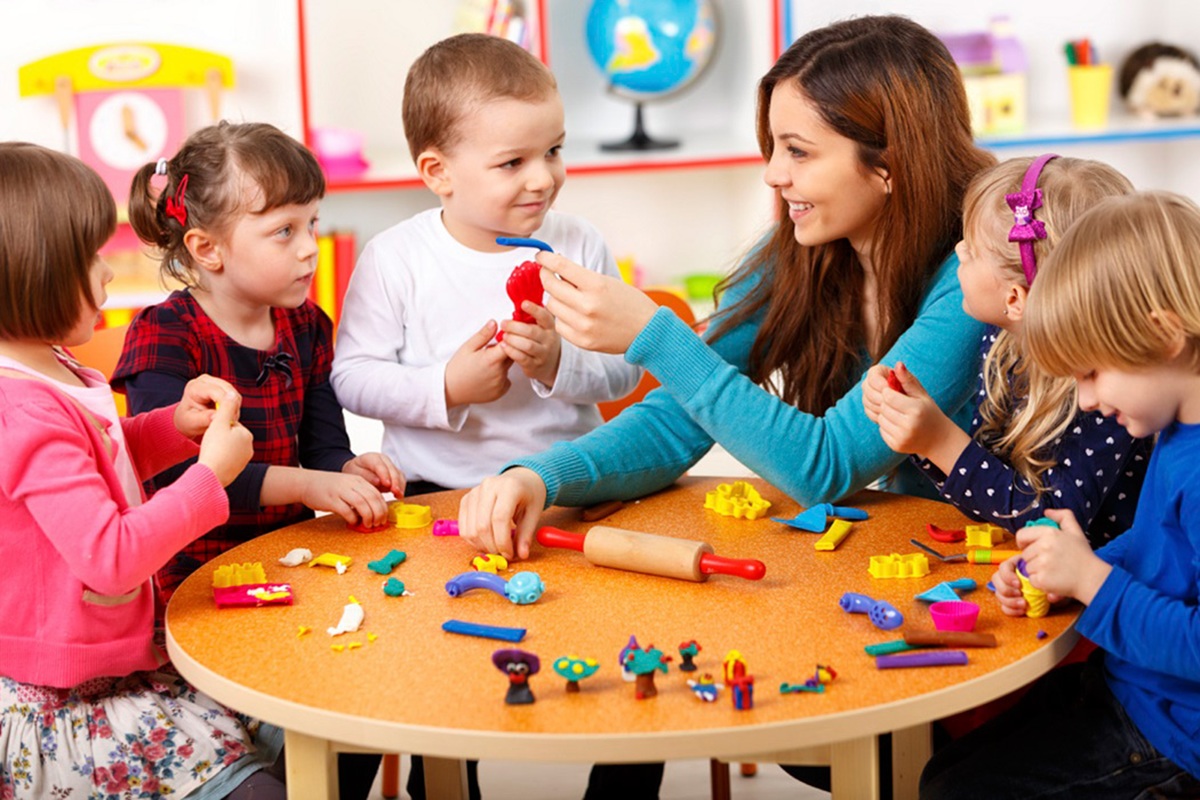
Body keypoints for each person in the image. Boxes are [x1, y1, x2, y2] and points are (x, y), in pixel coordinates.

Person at [459, 14, 994, 798]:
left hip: (980, 598)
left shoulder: (971, 278)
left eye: (799, 152)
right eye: (772, 146)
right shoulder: (804, 256)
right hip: (878, 575)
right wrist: (543, 479)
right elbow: (680, 419)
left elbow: (828, 465)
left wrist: (656, 336)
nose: (774, 175)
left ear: (890, 166)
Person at [113, 121, 401, 800]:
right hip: (198, 589)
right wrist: (314, 484)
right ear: (207, 248)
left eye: (313, 224)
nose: (310, 249)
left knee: (368, 703)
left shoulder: (306, 325)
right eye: (284, 232)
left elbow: (325, 438)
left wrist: (347, 470)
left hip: (299, 564)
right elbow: (186, 480)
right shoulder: (165, 336)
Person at [0, 142, 283, 799]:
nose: (109, 273)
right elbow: (108, 555)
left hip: (122, 657)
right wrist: (208, 478)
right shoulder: (21, 412)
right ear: (32, 273)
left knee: (311, 725)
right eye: (93, 258)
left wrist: (170, 429)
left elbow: (98, 455)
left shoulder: (53, 365)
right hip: (70, 697)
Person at [921, 191, 1200, 798]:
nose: (1089, 401)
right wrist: (1069, 568)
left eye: (1092, 373)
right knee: (941, 770)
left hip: (1177, 741)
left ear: (1165, 335)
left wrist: (1092, 583)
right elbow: (1165, 553)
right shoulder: (1177, 428)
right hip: (1133, 687)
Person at [330, 32, 641, 499]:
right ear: (439, 172)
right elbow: (352, 379)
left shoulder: (578, 242)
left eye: (553, 151)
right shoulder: (394, 257)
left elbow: (625, 368)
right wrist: (447, 386)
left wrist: (559, 363)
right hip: (434, 493)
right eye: (512, 162)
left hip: (563, 485)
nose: (543, 177)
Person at [863, 155, 1150, 548]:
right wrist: (919, 424)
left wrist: (938, 441)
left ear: (1015, 298)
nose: (959, 251)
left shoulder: (1108, 396)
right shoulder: (999, 341)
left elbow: (1052, 524)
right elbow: (996, 487)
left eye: (973, 252)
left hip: (1105, 589)